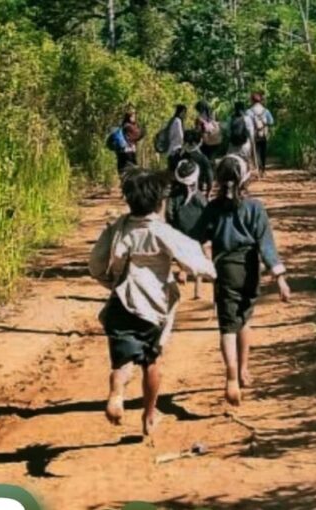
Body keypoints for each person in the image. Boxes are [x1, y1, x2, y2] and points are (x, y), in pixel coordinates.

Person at [89, 169, 216, 435]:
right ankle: (148, 414)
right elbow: (192, 258)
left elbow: (97, 264)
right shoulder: (162, 231)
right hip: (153, 308)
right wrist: (215, 274)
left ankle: (116, 392)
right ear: (160, 202)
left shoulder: (117, 228)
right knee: (151, 362)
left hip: (121, 305)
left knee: (122, 363)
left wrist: (109, 283)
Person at [195, 155, 291, 406]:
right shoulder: (255, 208)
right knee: (245, 319)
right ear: (246, 178)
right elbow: (266, 245)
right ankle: (244, 369)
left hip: (224, 271)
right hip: (249, 270)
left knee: (228, 325)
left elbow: (196, 236)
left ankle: (230, 375)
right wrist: (279, 277)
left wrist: (199, 260)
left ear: (218, 180)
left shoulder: (212, 208)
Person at [166, 159, 209, 299]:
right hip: (199, 232)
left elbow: (169, 214)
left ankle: (184, 269)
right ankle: (198, 288)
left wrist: (173, 226)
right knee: (203, 254)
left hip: (180, 232)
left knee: (180, 253)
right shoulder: (200, 197)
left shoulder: (173, 197)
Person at [180, 129, 214, 199]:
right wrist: (208, 191)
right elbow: (209, 177)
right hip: (197, 189)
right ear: (197, 143)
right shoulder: (202, 158)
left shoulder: (180, 155)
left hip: (180, 188)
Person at [246, 93, 274, 174]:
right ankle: (263, 169)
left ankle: (258, 168)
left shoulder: (249, 111)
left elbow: (246, 122)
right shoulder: (266, 111)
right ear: (260, 101)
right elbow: (271, 121)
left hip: (253, 134)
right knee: (263, 151)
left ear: (252, 101)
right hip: (263, 134)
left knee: (256, 151)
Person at [227, 101, 258, 173]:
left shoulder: (230, 118)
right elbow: (251, 133)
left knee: (229, 158)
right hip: (244, 144)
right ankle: (252, 167)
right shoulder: (247, 118)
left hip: (232, 145)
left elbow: (228, 133)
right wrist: (252, 142)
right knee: (247, 159)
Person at [117, 109, 143, 174]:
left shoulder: (123, 125)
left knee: (123, 171)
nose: (134, 118)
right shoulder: (129, 127)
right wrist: (142, 130)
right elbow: (138, 134)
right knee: (134, 171)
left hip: (121, 152)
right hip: (129, 152)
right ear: (129, 117)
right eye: (132, 116)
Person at [167, 104, 187, 173]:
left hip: (171, 150)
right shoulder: (177, 121)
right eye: (184, 112)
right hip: (175, 151)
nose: (185, 115)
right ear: (181, 112)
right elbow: (180, 136)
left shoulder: (173, 120)